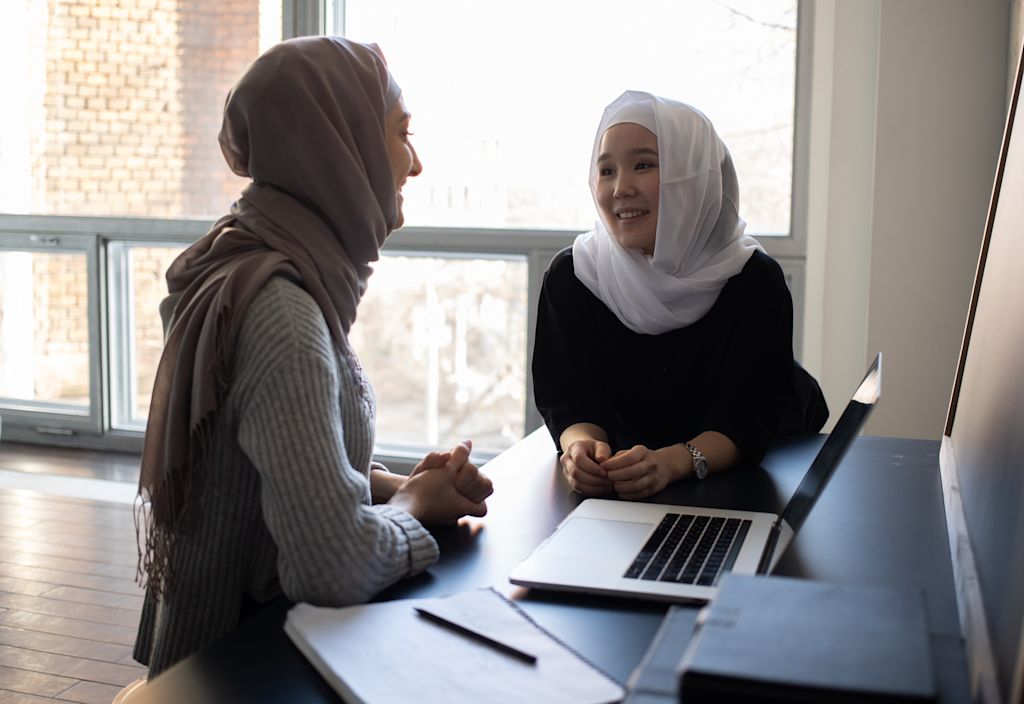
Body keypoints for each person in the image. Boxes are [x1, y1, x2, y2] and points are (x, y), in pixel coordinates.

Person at [131, 37, 493, 678]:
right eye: (401, 133)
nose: (415, 164)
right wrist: (417, 509)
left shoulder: (253, 259)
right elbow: (328, 565)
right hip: (243, 672)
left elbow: (263, 475)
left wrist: (396, 485)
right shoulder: (282, 310)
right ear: (339, 142)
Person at [533, 90, 827, 500]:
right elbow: (569, 397)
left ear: (694, 176)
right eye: (606, 171)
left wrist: (674, 461)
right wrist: (579, 447)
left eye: (643, 165)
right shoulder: (575, 276)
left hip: (739, 484)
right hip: (619, 498)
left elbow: (749, 415)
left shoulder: (752, 280)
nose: (620, 188)